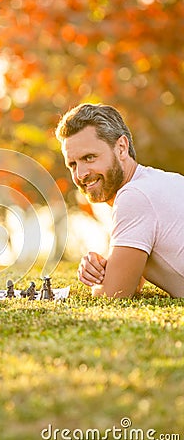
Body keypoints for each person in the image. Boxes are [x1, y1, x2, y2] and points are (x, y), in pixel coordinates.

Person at [55, 103, 184, 298]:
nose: (80, 174)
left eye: (89, 157)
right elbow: (132, 278)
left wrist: (100, 284)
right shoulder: (157, 183)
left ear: (121, 148)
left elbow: (114, 294)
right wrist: (105, 265)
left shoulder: (135, 196)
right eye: (72, 164)